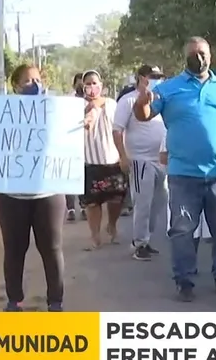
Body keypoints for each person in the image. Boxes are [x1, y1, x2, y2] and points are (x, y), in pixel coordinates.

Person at [133, 36, 216, 302]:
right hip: (183, 174)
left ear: (210, 55)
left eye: (203, 53)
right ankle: (185, 281)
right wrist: (142, 101)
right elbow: (144, 115)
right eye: (193, 54)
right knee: (182, 230)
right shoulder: (169, 89)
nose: (199, 58)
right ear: (186, 57)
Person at [0, 64, 66, 312]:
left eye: (36, 79)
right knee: (14, 249)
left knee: (52, 248)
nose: (34, 84)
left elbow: (67, 137)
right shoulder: (0, 113)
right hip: (11, 194)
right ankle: (15, 301)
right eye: (26, 81)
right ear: (15, 86)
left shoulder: (56, 110)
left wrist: (81, 124)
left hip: (48, 193)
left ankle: (55, 302)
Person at [113, 65, 168, 261]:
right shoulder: (128, 101)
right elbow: (117, 130)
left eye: (159, 76)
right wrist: (122, 156)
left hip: (160, 159)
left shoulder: (161, 100)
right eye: (152, 76)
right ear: (141, 78)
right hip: (140, 160)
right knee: (143, 203)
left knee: (160, 201)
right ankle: (139, 243)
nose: (156, 80)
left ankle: (146, 239)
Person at [81, 70, 127, 248]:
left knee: (116, 199)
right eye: (88, 83)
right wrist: (86, 112)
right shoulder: (78, 106)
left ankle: (112, 225)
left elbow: (119, 129)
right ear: (83, 86)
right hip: (89, 161)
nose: (92, 87)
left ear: (101, 85)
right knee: (92, 203)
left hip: (111, 160)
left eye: (95, 83)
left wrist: (123, 155)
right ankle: (94, 235)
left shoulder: (111, 104)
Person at [67, 72, 86, 222]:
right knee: (71, 177)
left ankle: (84, 206)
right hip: (71, 143)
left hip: (86, 144)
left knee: (84, 177)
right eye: (78, 83)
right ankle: (71, 209)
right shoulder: (69, 102)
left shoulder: (92, 101)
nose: (81, 85)